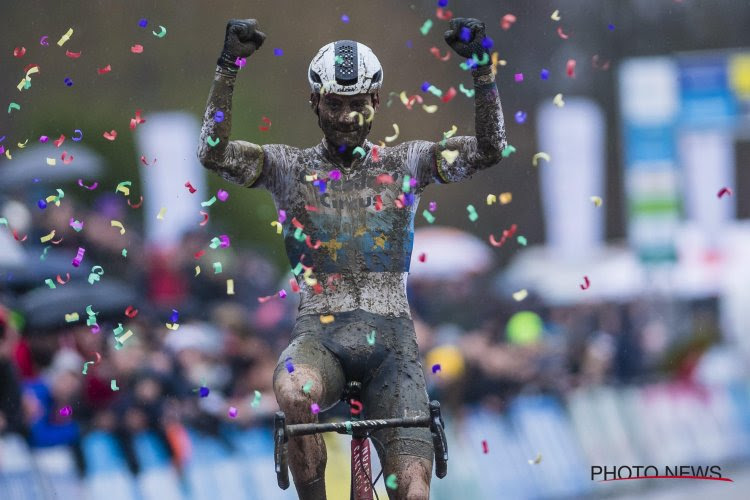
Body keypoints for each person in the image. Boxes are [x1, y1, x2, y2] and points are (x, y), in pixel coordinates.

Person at [198, 17, 506, 500]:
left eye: (357, 104)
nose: (346, 116)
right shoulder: (287, 167)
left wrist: (482, 71)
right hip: (319, 341)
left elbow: (490, 150)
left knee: (414, 491)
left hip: (393, 348)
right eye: (335, 105)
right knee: (294, 390)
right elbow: (213, 154)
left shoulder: (406, 162)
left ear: (376, 102)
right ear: (314, 101)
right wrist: (228, 67)